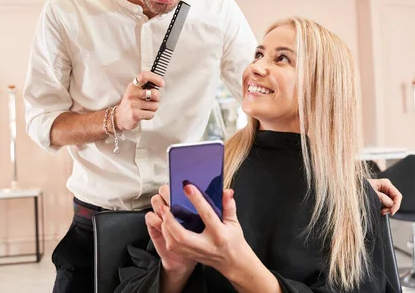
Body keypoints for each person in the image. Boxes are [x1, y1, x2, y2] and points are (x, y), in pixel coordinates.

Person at [22, 0, 402, 291]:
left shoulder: (218, 14)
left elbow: (277, 96)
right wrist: (114, 118)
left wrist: (342, 186)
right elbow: (42, 122)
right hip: (96, 217)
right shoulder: (67, 12)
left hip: (190, 212)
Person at [116, 17, 392, 292]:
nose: (256, 67)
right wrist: (174, 271)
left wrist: (241, 267)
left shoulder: (350, 197)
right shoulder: (207, 172)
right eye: (258, 55)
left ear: (321, 84)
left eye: (282, 59)